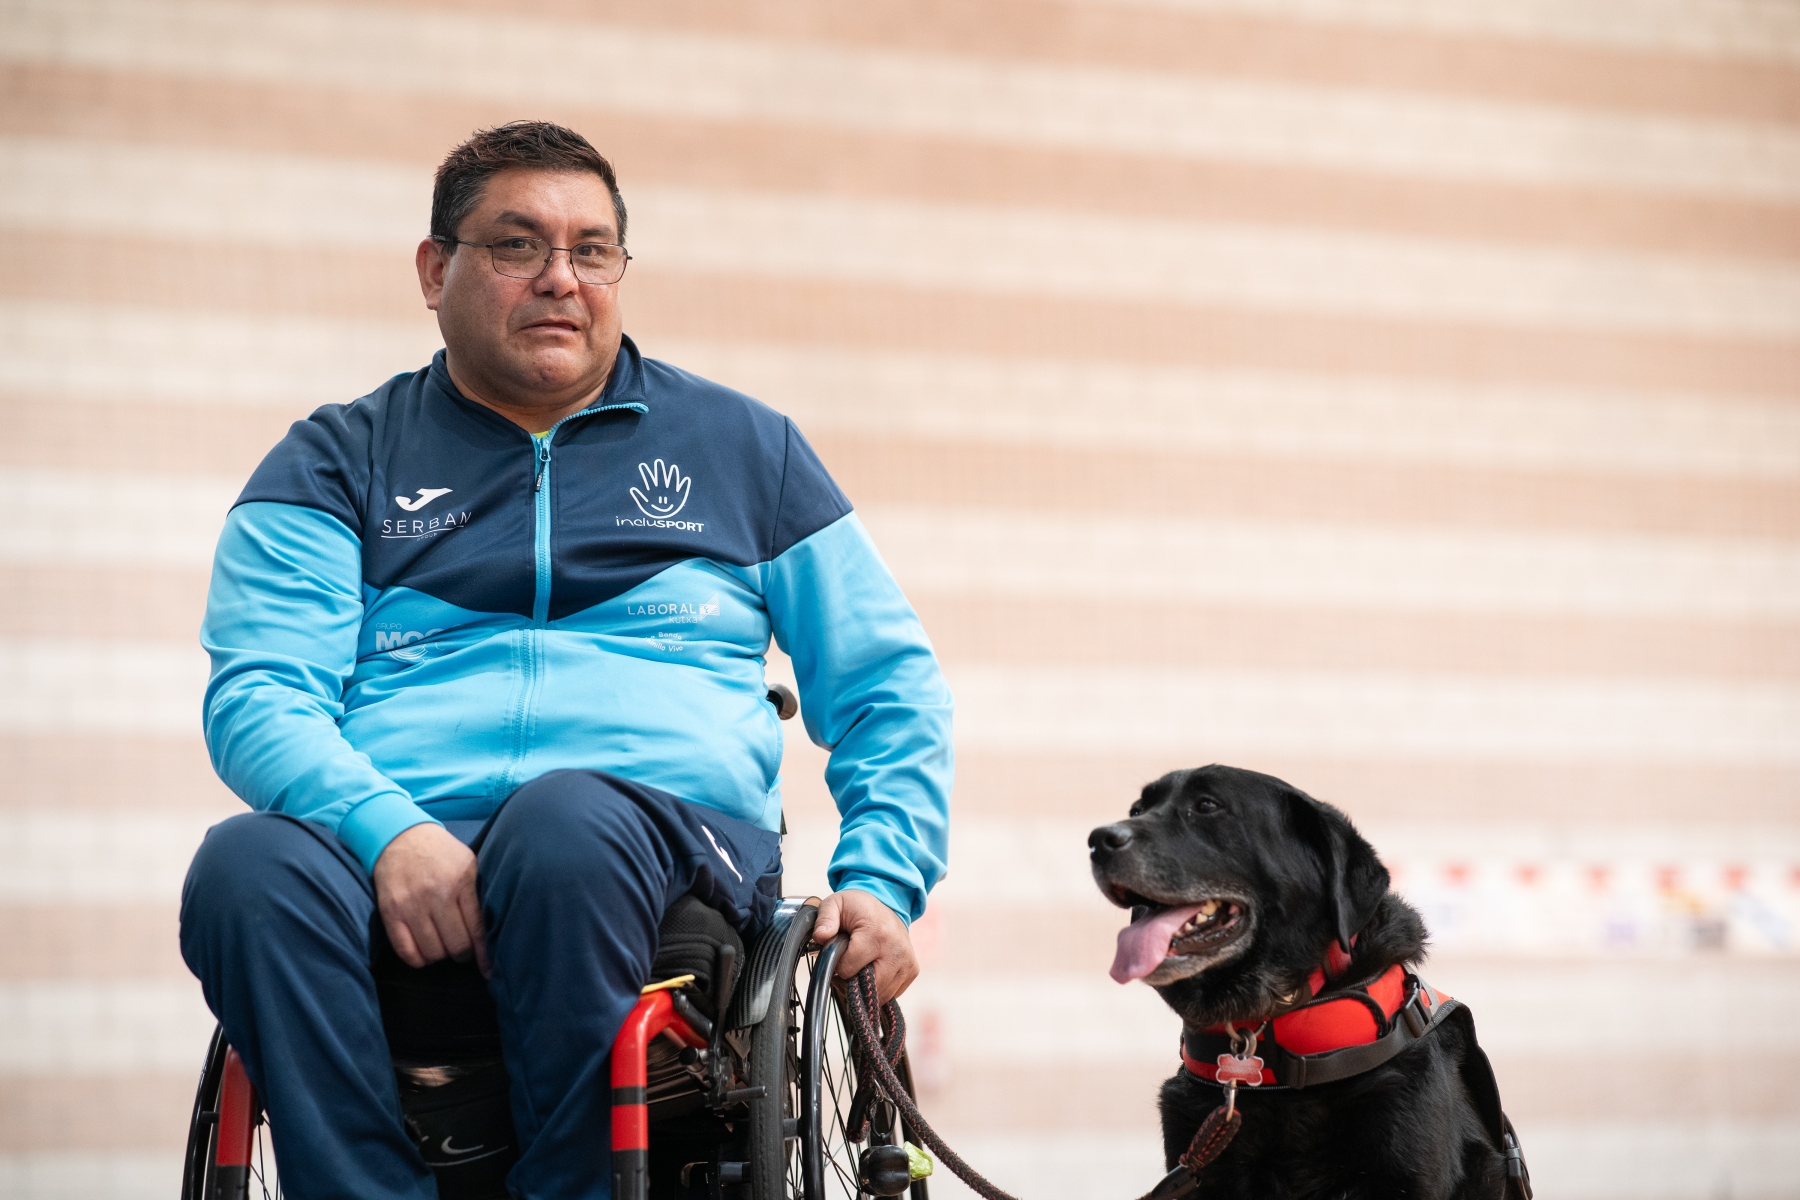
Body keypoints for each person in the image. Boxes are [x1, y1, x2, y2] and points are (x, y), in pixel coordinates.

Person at [178, 121, 953, 1200]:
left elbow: (886, 684)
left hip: (665, 852)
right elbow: (261, 695)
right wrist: (389, 831)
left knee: (562, 822)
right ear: (434, 270)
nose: (561, 278)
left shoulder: (745, 449)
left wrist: (882, 880)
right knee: (244, 869)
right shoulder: (333, 462)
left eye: (593, 250)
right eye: (517, 246)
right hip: (396, 858)